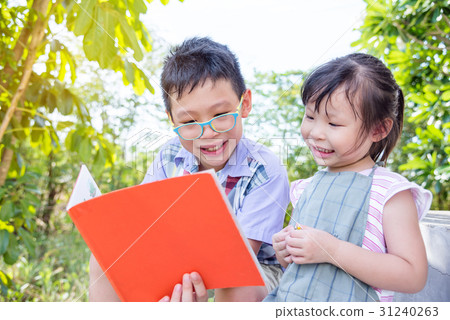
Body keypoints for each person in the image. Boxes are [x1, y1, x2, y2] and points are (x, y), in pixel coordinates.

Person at [89, 37, 290, 302]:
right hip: (177, 258)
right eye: (189, 121)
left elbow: (239, 257)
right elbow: (146, 223)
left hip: (253, 269)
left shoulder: (266, 169)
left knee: (238, 285)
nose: (208, 133)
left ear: (245, 104)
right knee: (104, 259)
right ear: (171, 119)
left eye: (221, 115)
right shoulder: (169, 156)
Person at [265, 53, 432, 302]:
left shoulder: (390, 192)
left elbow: (412, 275)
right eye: (310, 117)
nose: (316, 133)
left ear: (379, 129)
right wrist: (286, 253)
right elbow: (306, 275)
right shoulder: (306, 188)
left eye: (334, 124)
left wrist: (331, 249)